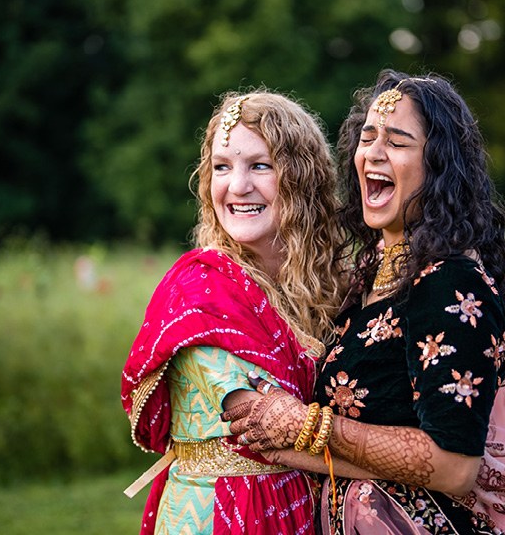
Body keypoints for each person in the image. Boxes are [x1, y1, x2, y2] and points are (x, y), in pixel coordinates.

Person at [224, 71, 505, 534]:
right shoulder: (372, 274)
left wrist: (306, 425)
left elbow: (455, 469)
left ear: (439, 166)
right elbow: (328, 447)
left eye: (398, 141)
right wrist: (288, 438)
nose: (373, 154)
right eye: (367, 138)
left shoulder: (450, 282)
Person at [121, 91, 367, 535]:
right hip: (220, 511)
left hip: (307, 505)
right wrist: (427, 469)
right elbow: (268, 426)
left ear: (302, 178)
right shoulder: (202, 292)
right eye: (221, 167)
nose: (236, 186)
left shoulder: (336, 286)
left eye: (260, 165)